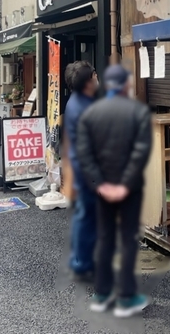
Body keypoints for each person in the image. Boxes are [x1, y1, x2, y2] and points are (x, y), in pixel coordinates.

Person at [77, 64, 152, 318]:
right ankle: (127, 298)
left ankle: (102, 294)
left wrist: (101, 184)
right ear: (126, 85)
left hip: (102, 189)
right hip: (128, 189)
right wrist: (124, 185)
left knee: (106, 237)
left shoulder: (92, 113)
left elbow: (85, 155)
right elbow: (140, 152)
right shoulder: (137, 112)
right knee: (128, 239)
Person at [63, 61, 99, 282]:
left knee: (83, 218)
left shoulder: (76, 101)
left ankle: (80, 262)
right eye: (95, 75)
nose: (97, 78)